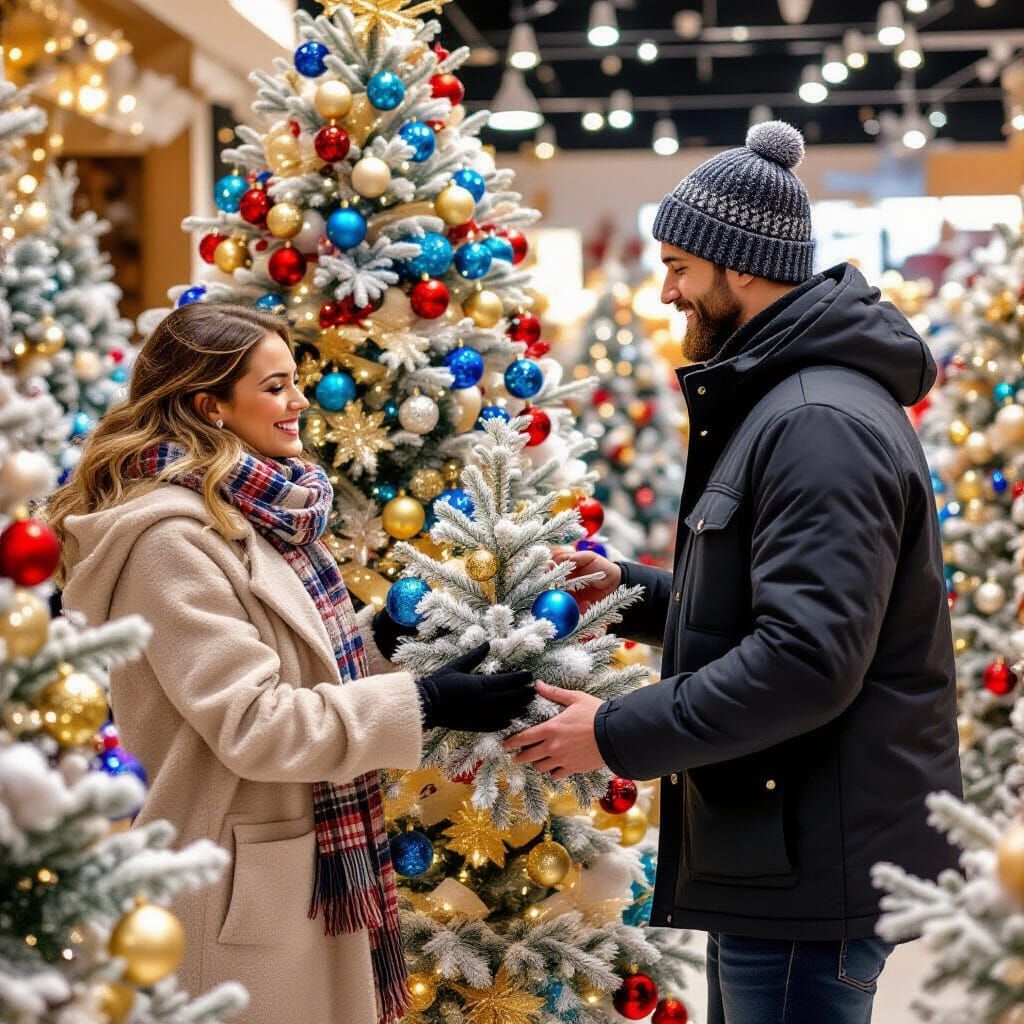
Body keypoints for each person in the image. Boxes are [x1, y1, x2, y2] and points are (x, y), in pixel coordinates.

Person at [504, 121, 962, 1024]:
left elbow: (807, 659)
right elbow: (775, 605)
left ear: (739, 268)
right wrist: (630, 591)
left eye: (680, 266)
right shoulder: (792, 402)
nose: (667, 289)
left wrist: (618, 734)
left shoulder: (815, 421)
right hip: (781, 844)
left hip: (807, 857)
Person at [46, 303, 534, 1024]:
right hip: (232, 887)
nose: (300, 401)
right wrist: (426, 701)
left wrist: (391, 642)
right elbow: (258, 724)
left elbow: (302, 667)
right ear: (209, 405)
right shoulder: (169, 543)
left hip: (291, 870)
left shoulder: (258, 512)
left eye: (295, 382)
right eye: (275, 387)